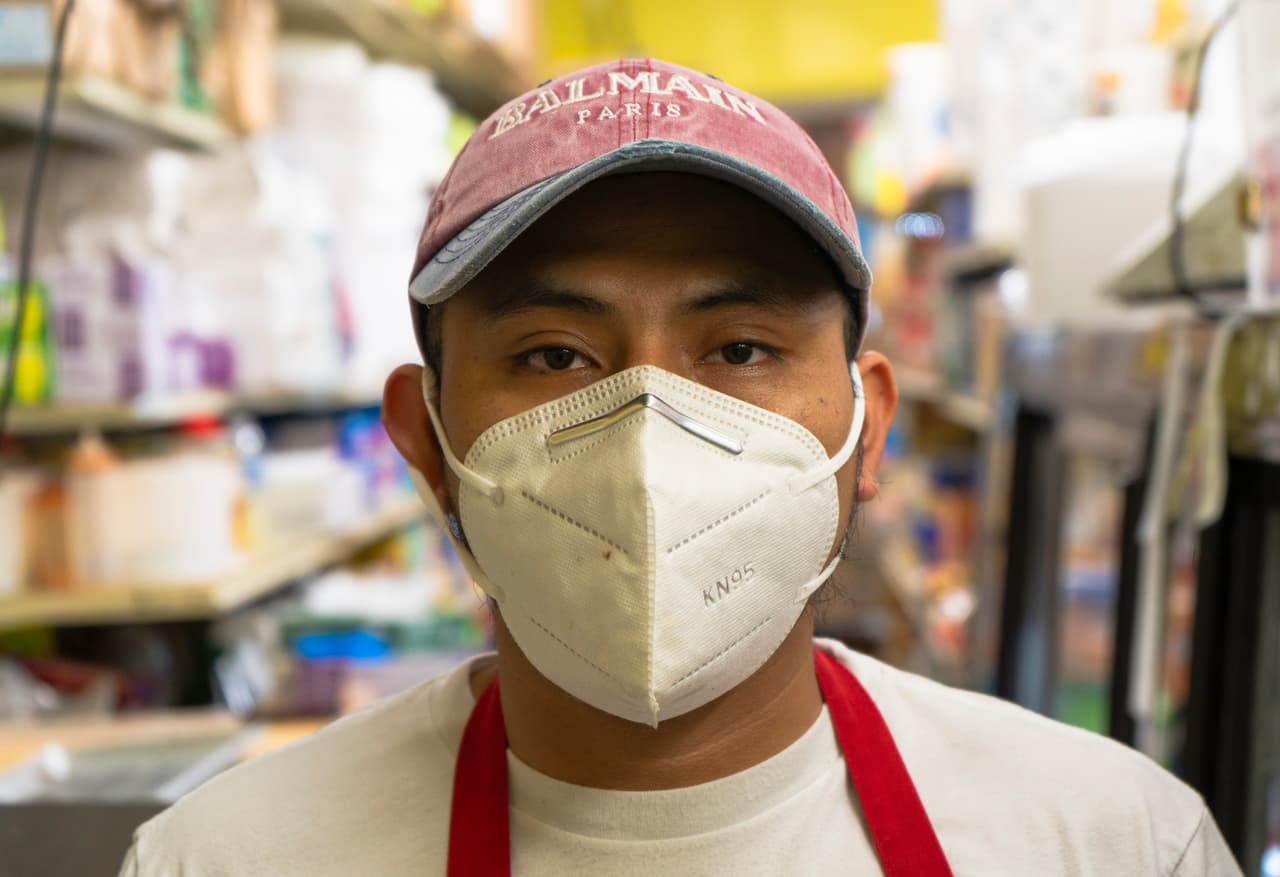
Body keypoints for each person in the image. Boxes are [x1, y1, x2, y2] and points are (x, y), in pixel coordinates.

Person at [120, 58, 1241, 876]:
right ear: (427, 442)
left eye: (740, 349)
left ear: (866, 430)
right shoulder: (226, 860)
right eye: (553, 354)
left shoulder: (1108, 843)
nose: (649, 428)